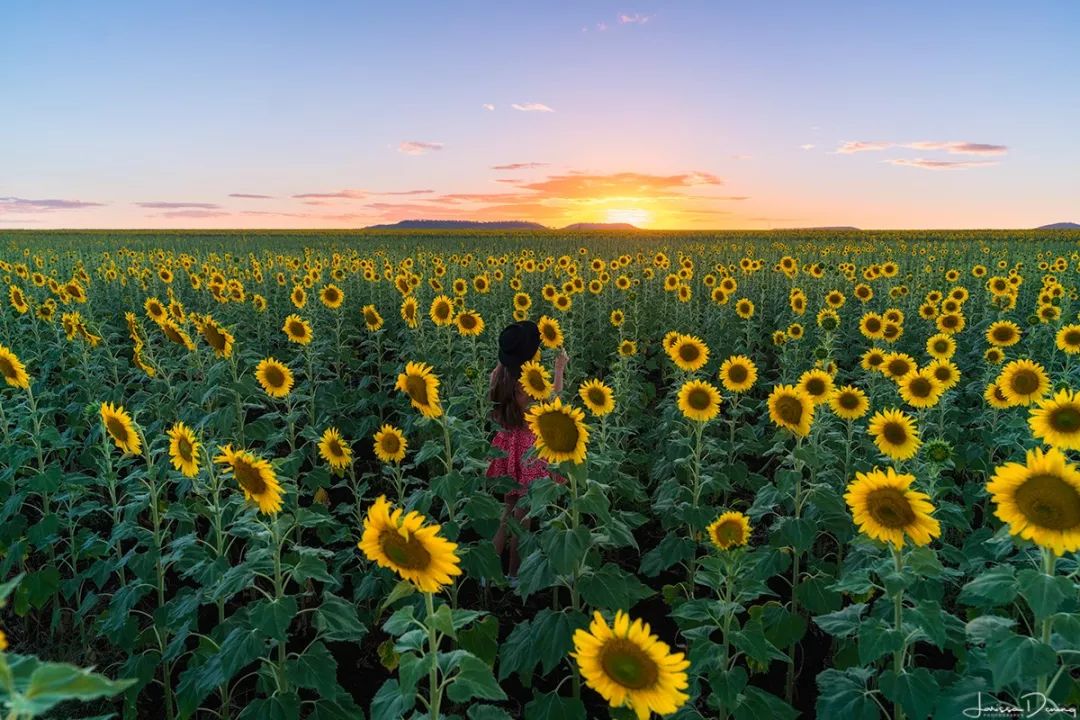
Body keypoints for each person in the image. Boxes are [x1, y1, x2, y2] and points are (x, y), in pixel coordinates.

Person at [486, 320, 568, 577]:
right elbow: (552, 400)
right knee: (523, 517)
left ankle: (487, 572)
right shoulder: (527, 383)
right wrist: (559, 369)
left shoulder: (498, 376)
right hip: (528, 454)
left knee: (506, 512)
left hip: (506, 448)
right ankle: (514, 574)